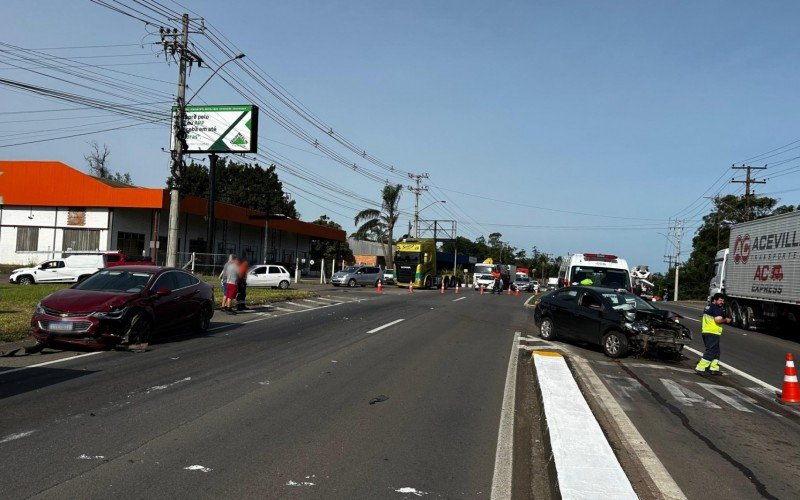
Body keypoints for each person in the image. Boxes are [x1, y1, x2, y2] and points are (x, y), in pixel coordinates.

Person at [695, 293, 731, 375]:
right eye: (720, 300)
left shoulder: (709, 306)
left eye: (723, 301)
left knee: (716, 351)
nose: (722, 302)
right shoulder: (717, 309)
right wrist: (726, 320)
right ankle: (700, 367)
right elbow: (718, 320)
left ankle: (713, 368)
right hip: (712, 332)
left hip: (707, 331)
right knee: (711, 351)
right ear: (715, 300)